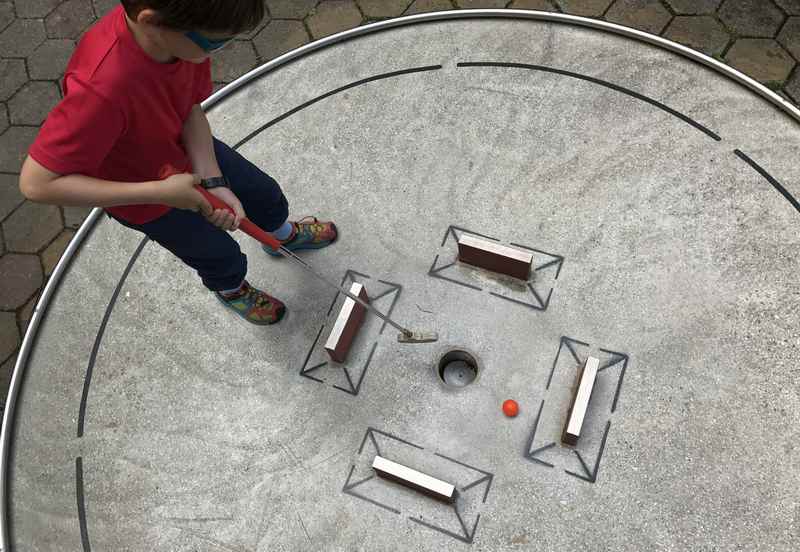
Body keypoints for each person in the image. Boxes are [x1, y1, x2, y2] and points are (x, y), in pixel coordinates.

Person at [18, 0, 337, 325]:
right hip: (146, 198)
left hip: (186, 152)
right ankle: (232, 289)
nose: (219, 50)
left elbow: (189, 108)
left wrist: (213, 180)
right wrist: (161, 192)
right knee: (217, 254)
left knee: (263, 194)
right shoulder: (101, 90)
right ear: (152, 22)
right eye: (215, 42)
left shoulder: (179, 39)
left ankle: (281, 237)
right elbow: (37, 183)